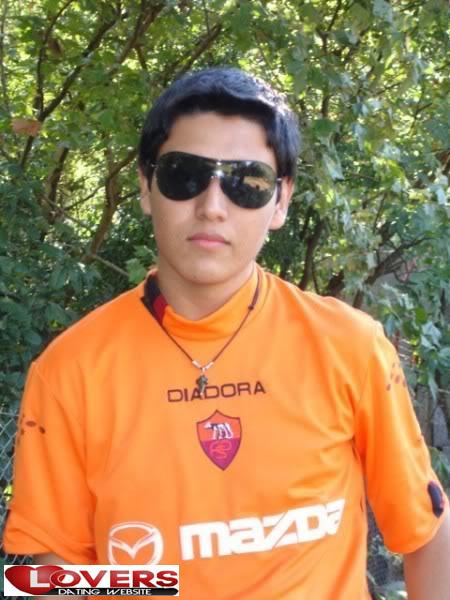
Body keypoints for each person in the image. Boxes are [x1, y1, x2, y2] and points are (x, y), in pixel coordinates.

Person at [3, 67, 449, 599]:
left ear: (281, 201)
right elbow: (55, 578)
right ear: (145, 186)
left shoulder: (349, 346)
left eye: (247, 183)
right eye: (184, 175)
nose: (212, 207)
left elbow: (426, 529)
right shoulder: (70, 371)